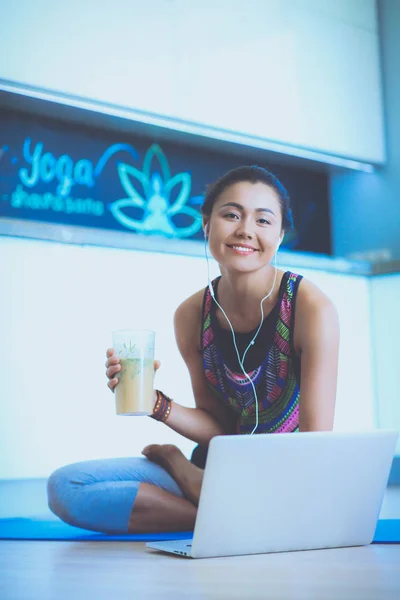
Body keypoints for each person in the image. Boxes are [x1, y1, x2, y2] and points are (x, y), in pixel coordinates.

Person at [47, 166, 339, 535]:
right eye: (231, 214)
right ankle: (230, 516)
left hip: (286, 480)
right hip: (217, 470)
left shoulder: (310, 308)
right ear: (206, 225)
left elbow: (316, 446)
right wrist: (154, 403)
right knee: (67, 488)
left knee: (286, 497)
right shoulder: (191, 315)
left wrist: (182, 465)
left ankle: (213, 496)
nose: (245, 229)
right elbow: (220, 428)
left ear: (280, 236)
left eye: (263, 220)